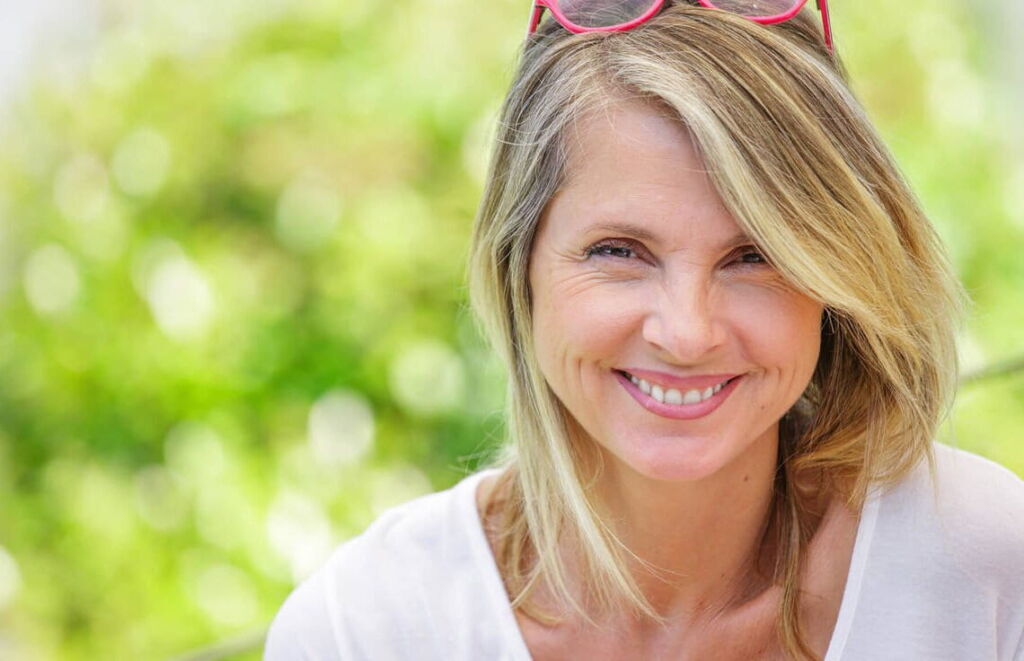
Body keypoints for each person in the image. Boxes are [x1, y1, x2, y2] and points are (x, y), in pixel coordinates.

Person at [264, 1, 1024, 659]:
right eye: (619, 252)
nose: (687, 332)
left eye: (754, 255)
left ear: (834, 277)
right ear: (518, 264)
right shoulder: (364, 633)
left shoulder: (982, 569)